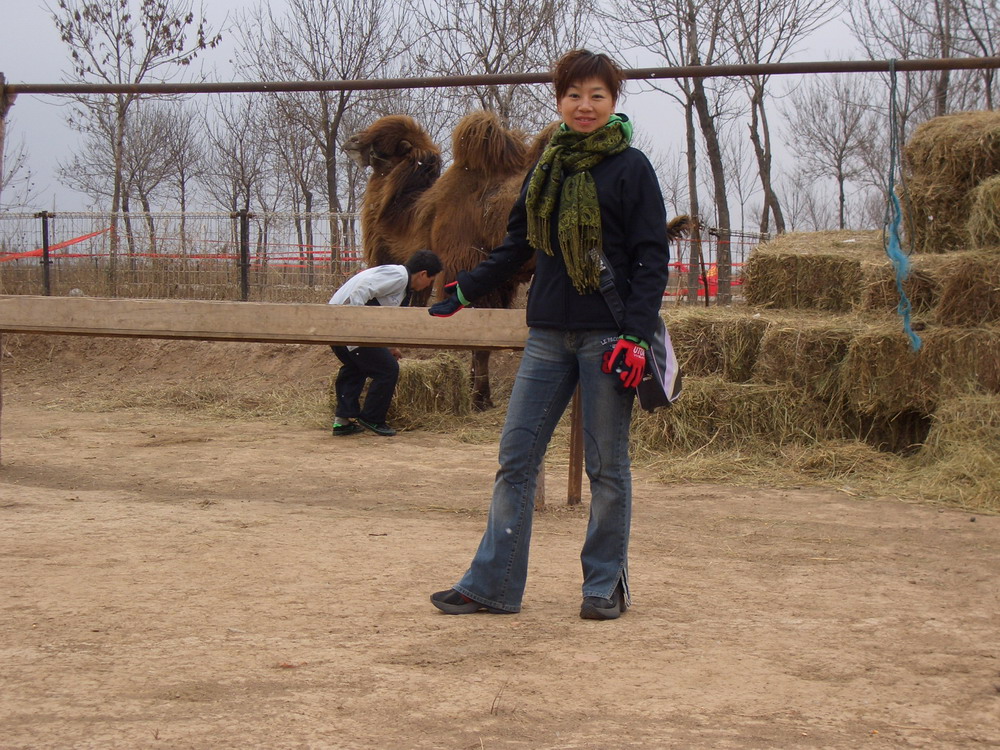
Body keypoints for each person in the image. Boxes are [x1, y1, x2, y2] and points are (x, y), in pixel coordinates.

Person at [428, 49, 671, 620]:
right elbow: (517, 247)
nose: (584, 107)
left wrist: (635, 337)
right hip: (546, 335)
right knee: (517, 456)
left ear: (614, 103)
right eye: (573, 96)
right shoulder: (546, 168)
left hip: (606, 338)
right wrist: (464, 289)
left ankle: (604, 585)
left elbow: (650, 259)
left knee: (606, 467)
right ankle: (493, 584)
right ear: (559, 100)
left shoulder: (631, 168)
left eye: (597, 97)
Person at [329, 249, 442, 437]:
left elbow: (383, 316)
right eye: (431, 281)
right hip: (346, 324)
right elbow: (362, 290)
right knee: (388, 370)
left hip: (335, 325)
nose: (429, 286)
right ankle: (372, 418)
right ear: (423, 274)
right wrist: (353, 323)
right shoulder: (398, 276)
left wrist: (390, 347)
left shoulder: (400, 283)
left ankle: (342, 422)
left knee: (355, 367)